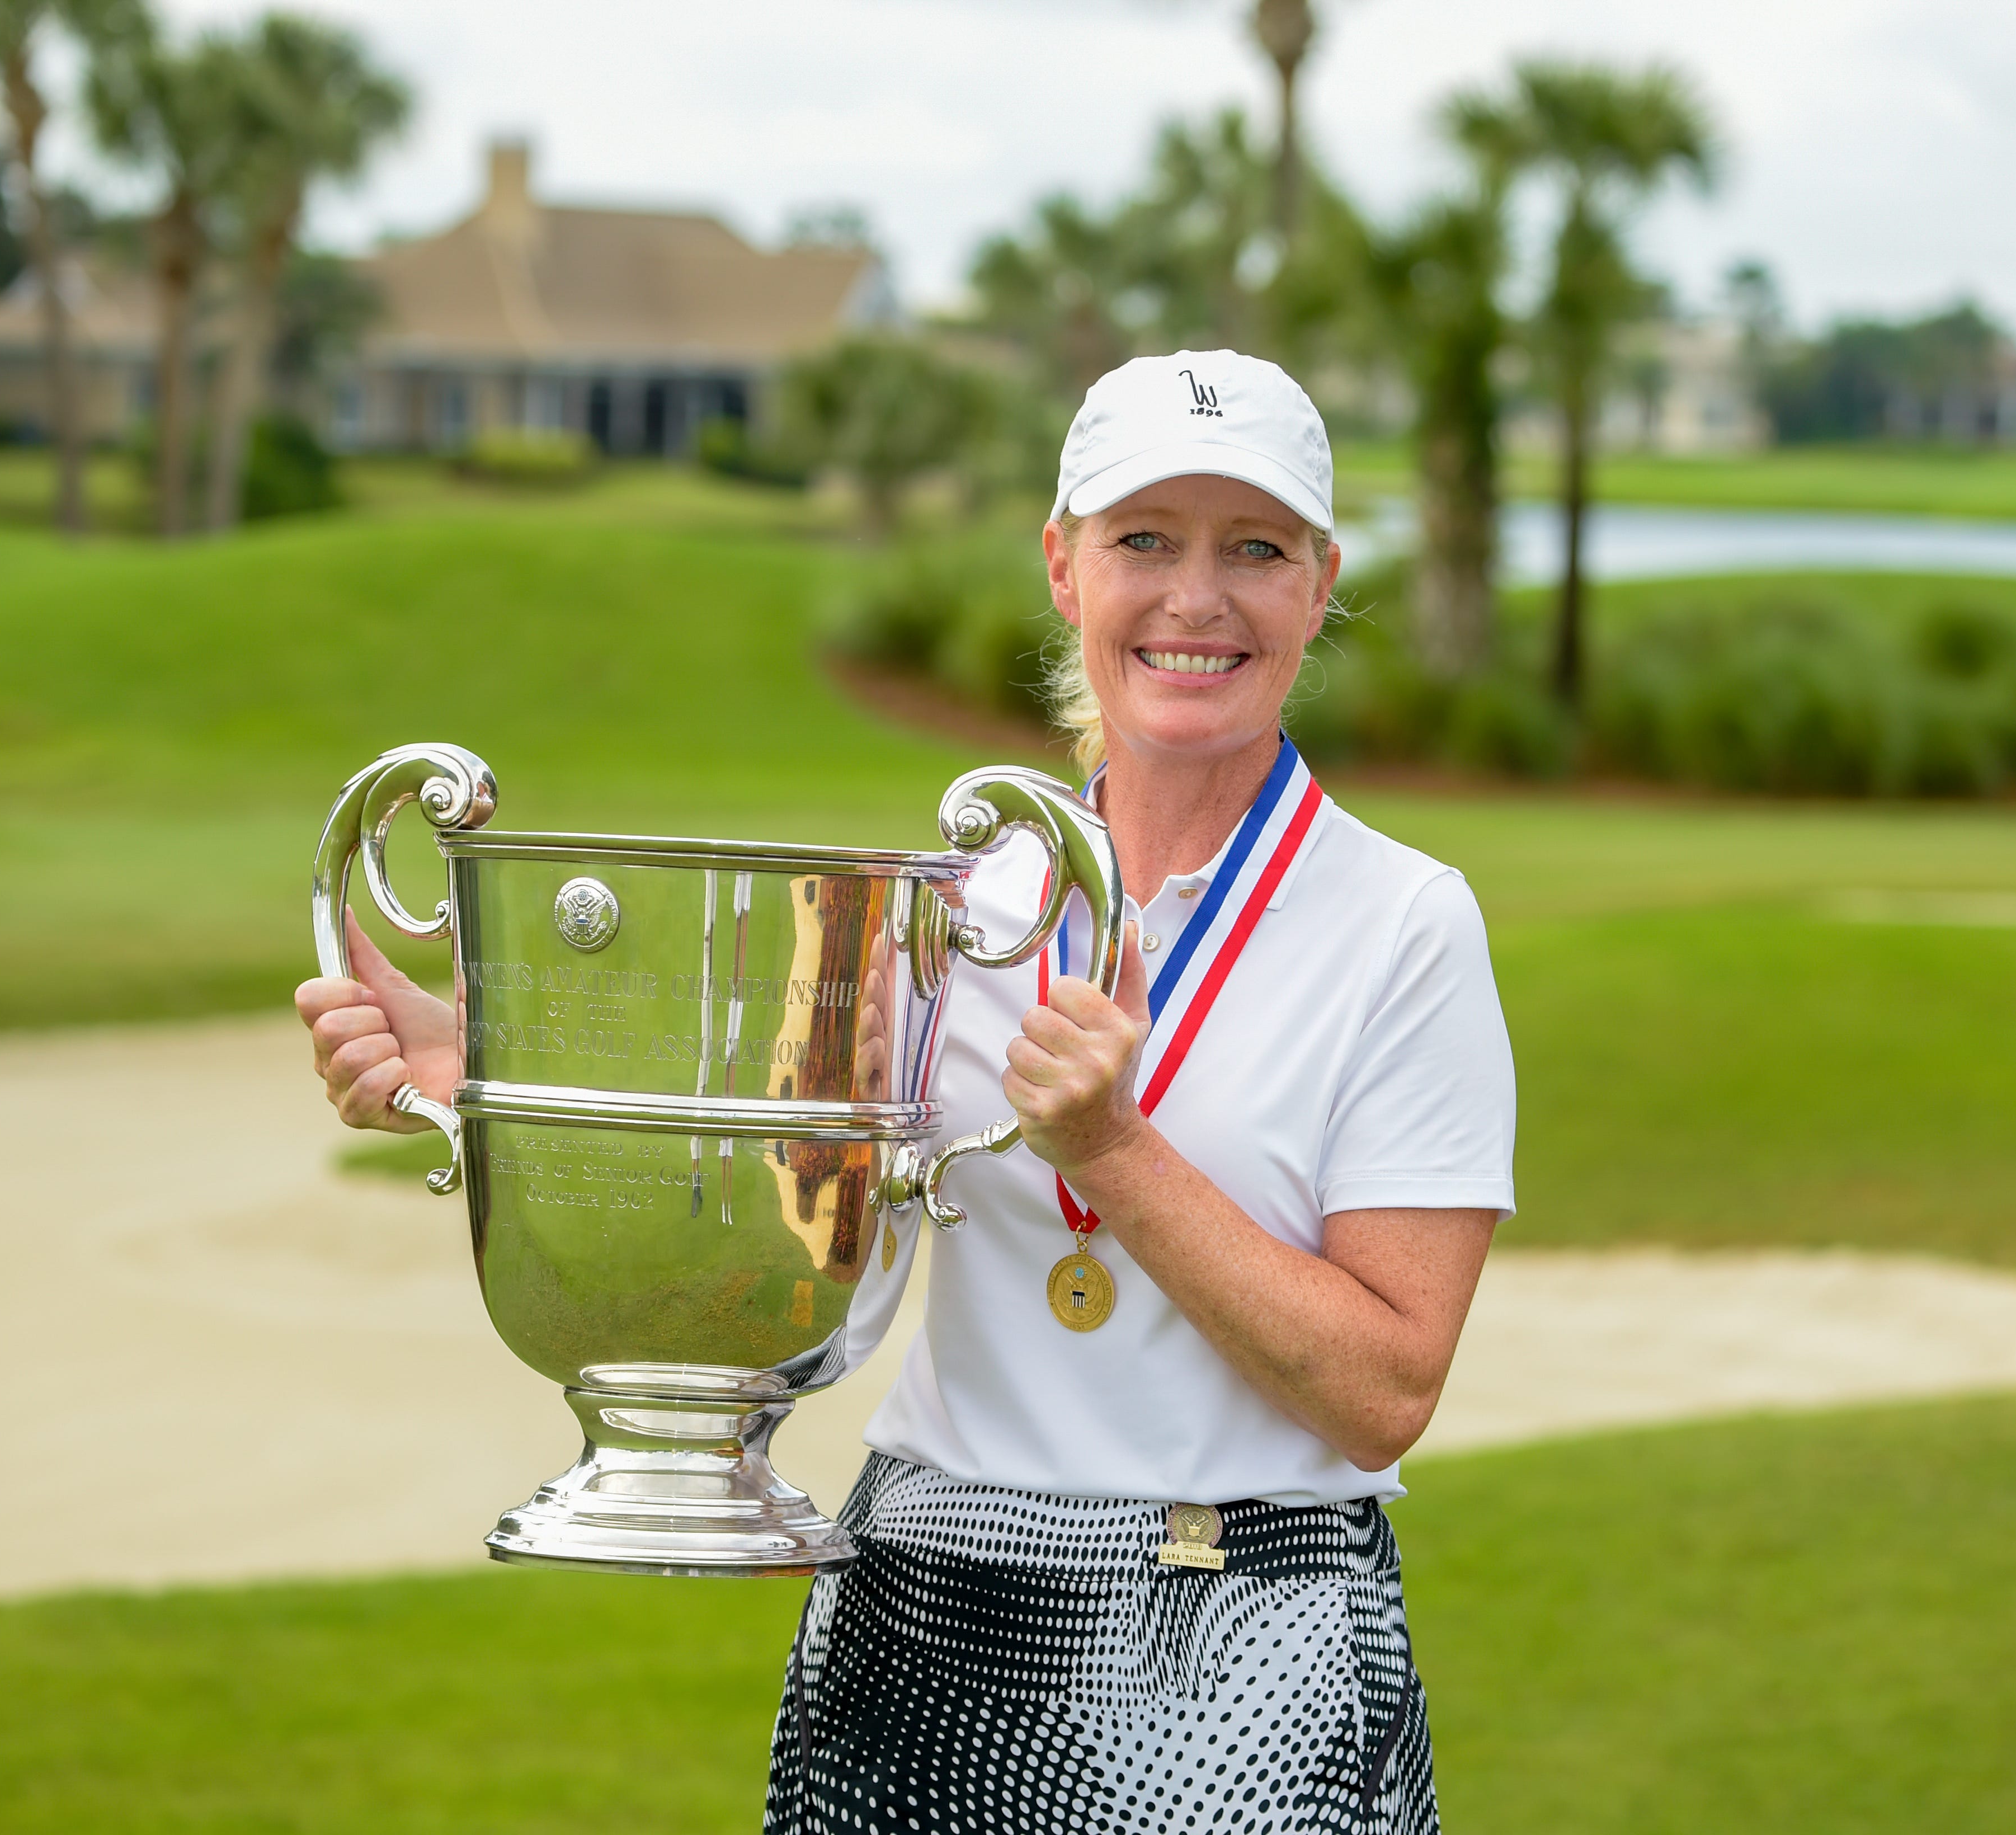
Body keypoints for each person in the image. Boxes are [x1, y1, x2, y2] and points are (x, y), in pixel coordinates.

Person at [299, 350, 1517, 1834]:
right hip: (918, 1617)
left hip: (1250, 1644)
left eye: (1254, 548)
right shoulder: (967, 899)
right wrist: (475, 1075)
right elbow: (746, 1169)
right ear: (1065, 570)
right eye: (1145, 541)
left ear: (1319, 583)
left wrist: (1115, 1154)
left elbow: (1386, 1389)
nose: (1197, 598)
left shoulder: (1403, 923)